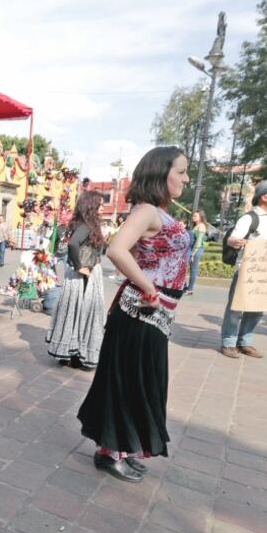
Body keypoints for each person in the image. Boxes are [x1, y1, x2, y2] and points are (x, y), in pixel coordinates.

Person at [77, 146, 191, 482]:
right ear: (161, 173)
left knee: (140, 381)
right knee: (130, 381)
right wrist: (149, 289)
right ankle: (110, 453)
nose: (186, 178)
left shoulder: (157, 212)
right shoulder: (146, 211)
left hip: (154, 314)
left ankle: (121, 447)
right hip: (141, 312)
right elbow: (116, 250)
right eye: (181, 171)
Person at [220, 179, 267, 359]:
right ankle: (229, 342)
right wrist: (235, 242)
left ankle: (245, 342)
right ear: (264, 197)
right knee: (236, 308)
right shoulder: (250, 218)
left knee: (258, 308)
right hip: (247, 272)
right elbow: (232, 239)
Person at [45, 191, 107, 370]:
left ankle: (72, 353)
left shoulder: (85, 224)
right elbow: (73, 244)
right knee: (82, 312)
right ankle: (76, 354)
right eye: (100, 205)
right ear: (91, 207)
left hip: (82, 275)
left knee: (76, 312)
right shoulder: (86, 226)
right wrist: (80, 266)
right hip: (84, 276)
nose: (103, 208)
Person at [186, 210, 207, 294]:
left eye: (195, 216)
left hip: (196, 250)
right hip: (193, 249)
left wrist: (192, 254)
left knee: (193, 270)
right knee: (191, 269)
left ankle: (190, 289)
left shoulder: (201, 226)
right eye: (193, 216)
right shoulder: (196, 225)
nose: (193, 217)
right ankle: (188, 287)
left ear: (200, 217)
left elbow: (198, 242)